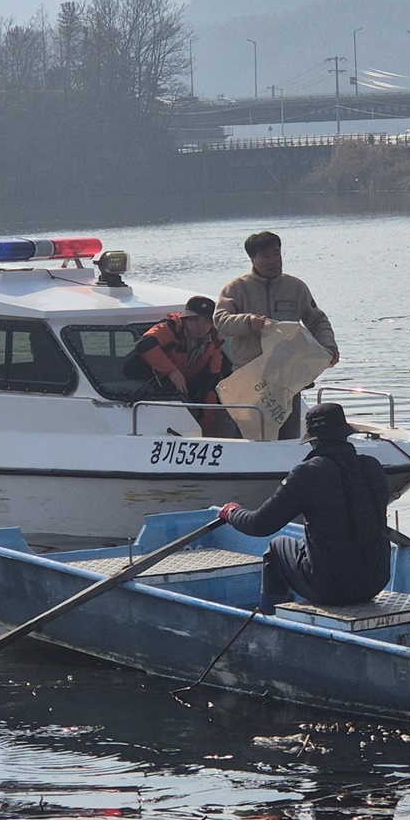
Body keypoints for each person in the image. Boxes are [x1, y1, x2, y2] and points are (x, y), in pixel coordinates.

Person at [218, 402, 390, 614]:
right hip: (376, 581)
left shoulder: (309, 472)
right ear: (345, 434)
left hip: (331, 590)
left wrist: (232, 512)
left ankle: (268, 616)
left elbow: (260, 525)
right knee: (312, 543)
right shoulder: (372, 466)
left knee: (277, 548)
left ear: (313, 440)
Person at [215, 231, 339, 439]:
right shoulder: (235, 289)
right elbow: (221, 321)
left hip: (288, 378)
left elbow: (317, 320)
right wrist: (248, 322)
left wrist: (329, 346)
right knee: (249, 438)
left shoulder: (296, 287)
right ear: (252, 259)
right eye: (265, 255)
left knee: (289, 437)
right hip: (251, 380)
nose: (273, 260)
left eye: (276, 253)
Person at [132, 295, 232, 432]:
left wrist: (206, 424)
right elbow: (144, 345)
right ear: (184, 319)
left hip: (189, 385)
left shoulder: (215, 340)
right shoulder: (169, 328)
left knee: (211, 400)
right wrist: (171, 371)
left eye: (206, 321)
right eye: (194, 320)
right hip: (152, 387)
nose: (200, 326)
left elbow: (212, 379)